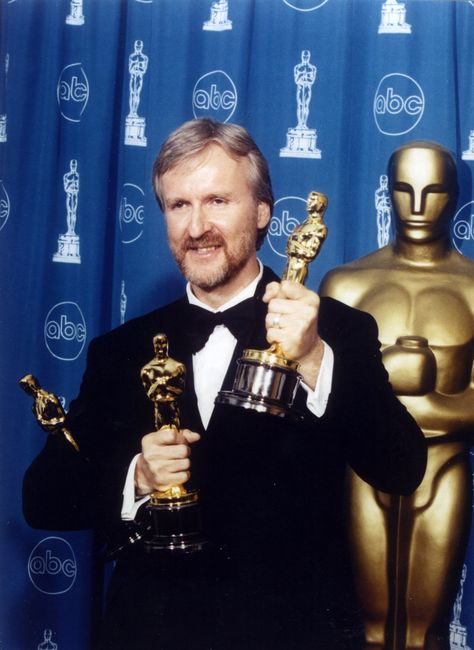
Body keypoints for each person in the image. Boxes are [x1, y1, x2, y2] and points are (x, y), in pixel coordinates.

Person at [23, 119, 427, 650]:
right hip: (150, 634)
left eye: (217, 201)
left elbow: (402, 467)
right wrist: (137, 478)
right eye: (178, 205)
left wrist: (313, 359)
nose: (196, 228)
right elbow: (43, 498)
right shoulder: (120, 349)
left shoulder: (337, 331)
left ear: (262, 211)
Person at [320, 141, 474, 649]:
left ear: (453, 197)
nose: (416, 206)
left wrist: (418, 400)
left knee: (424, 633)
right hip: (363, 472)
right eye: (403, 190)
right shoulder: (346, 285)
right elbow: (320, 391)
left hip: (442, 467)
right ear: (386, 193)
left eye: (432, 192)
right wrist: (392, 377)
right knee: (368, 628)